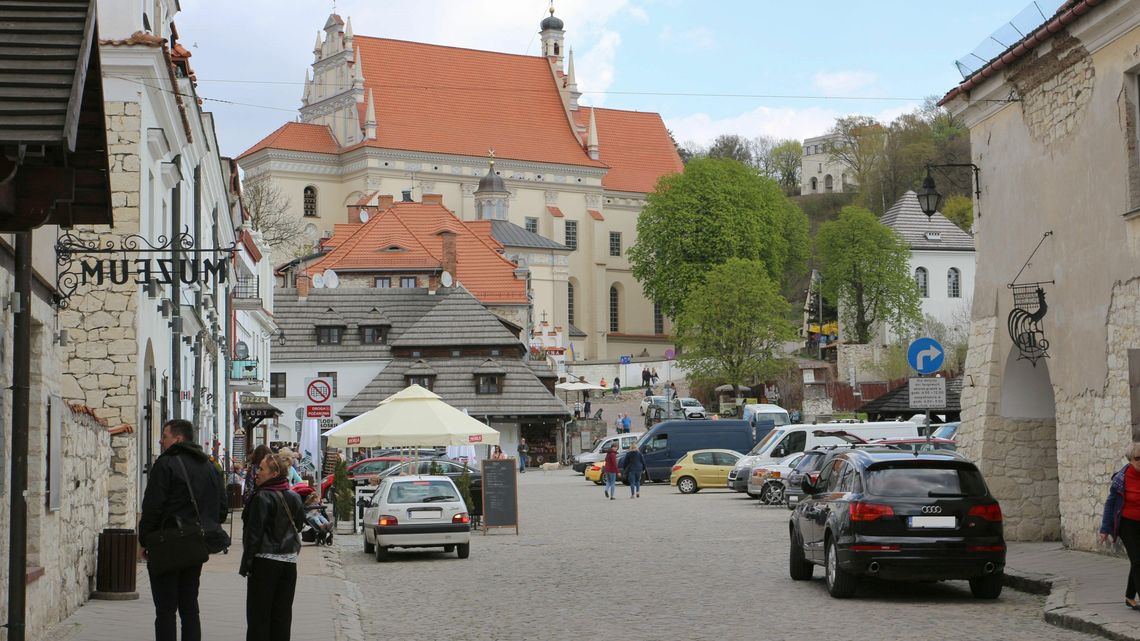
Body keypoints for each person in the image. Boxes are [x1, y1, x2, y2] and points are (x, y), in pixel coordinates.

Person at [139, 419, 228, 641]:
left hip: (168, 543)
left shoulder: (166, 464)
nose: (161, 440)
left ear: (178, 439)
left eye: (164, 435)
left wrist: (145, 540)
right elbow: (222, 509)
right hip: (196, 543)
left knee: (166, 608)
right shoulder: (210, 467)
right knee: (189, 605)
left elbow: (152, 506)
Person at [241, 452, 305, 641]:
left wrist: (247, 564)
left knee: (258, 618)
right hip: (288, 563)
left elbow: (253, 535)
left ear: (274, 473)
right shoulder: (293, 496)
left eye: (261, 469)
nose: (256, 473)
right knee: (282, 616)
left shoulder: (261, 497)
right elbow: (299, 525)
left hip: (264, 562)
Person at [1100, 442, 1140, 610]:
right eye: (1138, 459)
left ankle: (1129, 597)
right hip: (1127, 524)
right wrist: (1105, 528)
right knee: (1138, 561)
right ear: (1130, 460)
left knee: (1138, 561)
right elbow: (1110, 504)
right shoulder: (1120, 479)